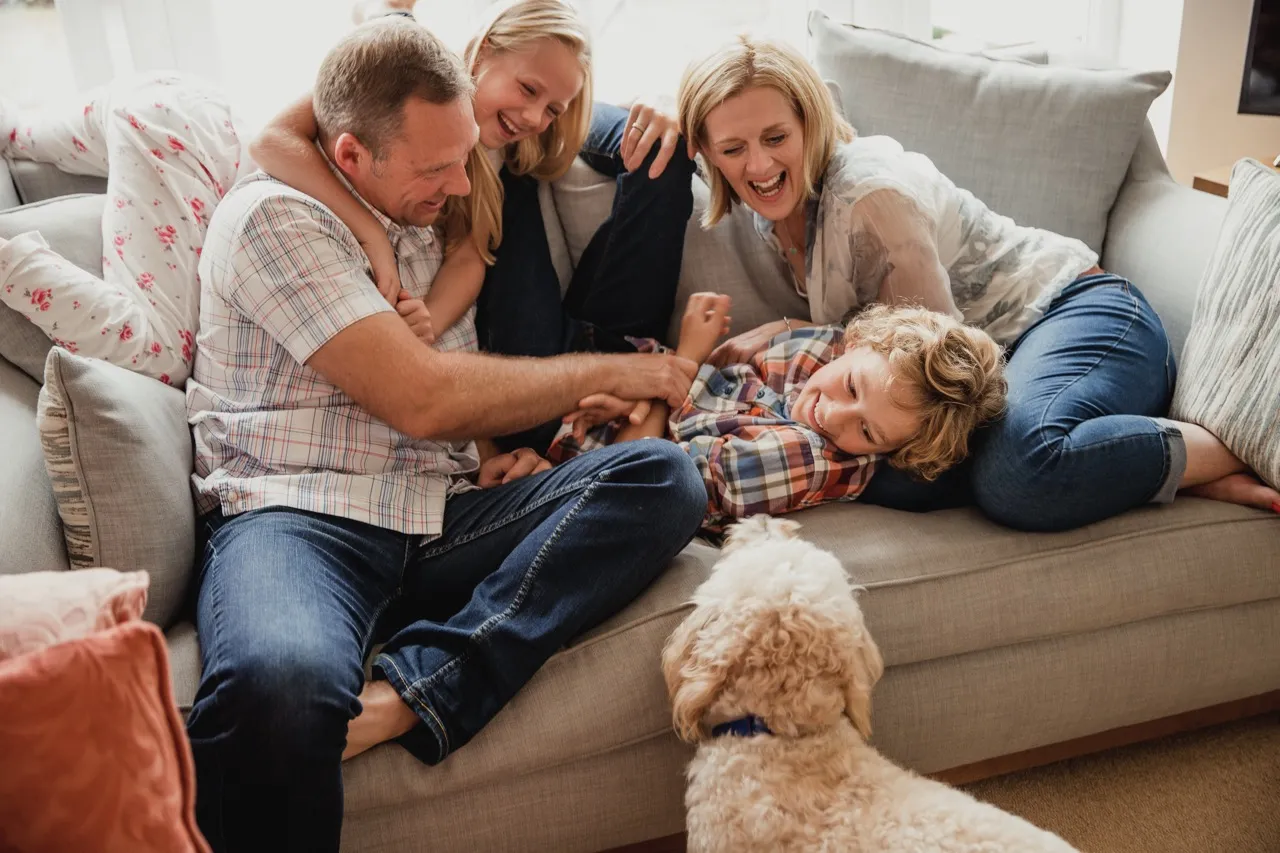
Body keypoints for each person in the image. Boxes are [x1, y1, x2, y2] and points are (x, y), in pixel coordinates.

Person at [184, 19, 707, 852]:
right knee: (280, 687)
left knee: (662, 477)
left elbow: (450, 413)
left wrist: (497, 458)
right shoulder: (276, 220)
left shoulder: (436, 208)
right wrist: (615, 371)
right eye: (437, 168)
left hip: (440, 514)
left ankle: (422, 686)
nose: (461, 181)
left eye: (464, 156)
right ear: (351, 156)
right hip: (299, 518)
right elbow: (423, 398)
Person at [674, 35, 1280, 532]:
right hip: (1002, 364)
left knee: (1010, 475)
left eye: (775, 138)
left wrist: (788, 334)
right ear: (709, 152)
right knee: (877, 470)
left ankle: (1205, 453)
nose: (758, 164)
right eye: (733, 147)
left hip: (1080, 316)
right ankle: (1121, 469)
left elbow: (937, 369)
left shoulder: (871, 201)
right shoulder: (771, 204)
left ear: (809, 121)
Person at [251, 0, 698, 451]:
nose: (533, 117)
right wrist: (371, 235)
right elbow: (270, 140)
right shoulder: (414, 83)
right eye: (527, 89)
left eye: (552, 110)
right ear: (483, 50)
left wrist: (657, 111)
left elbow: (471, 253)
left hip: (573, 311)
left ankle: (622, 367)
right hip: (529, 357)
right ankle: (389, 11)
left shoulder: (522, 138)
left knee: (664, 150)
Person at [551, 292, 1006, 529]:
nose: (834, 415)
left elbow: (637, 478)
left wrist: (682, 365)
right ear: (858, 342)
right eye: (850, 386)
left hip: (606, 477)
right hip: (623, 405)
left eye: (867, 432)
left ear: (892, 452)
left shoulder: (809, 460)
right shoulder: (832, 351)